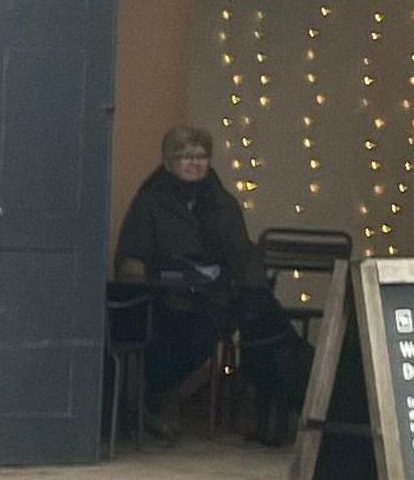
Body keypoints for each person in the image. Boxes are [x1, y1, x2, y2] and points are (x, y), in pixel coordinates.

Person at [112, 126, 306, 443]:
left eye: (201, 156)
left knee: (261, 319)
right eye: (186, 156)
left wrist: (250, 285)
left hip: (214, 297)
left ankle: (272, 404)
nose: (194, 163)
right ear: (168, 161)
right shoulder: (149, 203)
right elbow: (132, 254)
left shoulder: (221, 203)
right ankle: (159, 396)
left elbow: (242, 252)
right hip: (164, 297)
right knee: (177, 330)